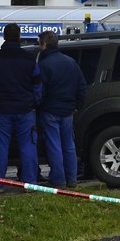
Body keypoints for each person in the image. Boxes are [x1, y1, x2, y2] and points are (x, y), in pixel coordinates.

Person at [0, 22, 42, 191]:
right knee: (28, 146)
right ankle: (29, 184)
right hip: (25, 110)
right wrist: (34, 103)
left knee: (0, 147)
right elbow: (37, 85)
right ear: (19, 37)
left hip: (1, 110)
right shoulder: (29, 59)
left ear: (4, 37)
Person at [37, 30, 86, 188]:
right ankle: (72, 179)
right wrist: (77, 106)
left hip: (50, 110)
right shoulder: (71, 62)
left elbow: (40, 91)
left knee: (54, 146)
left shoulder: (44, 65)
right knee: (69, 145)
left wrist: (38, 106)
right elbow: (81, 86)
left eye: (40, 44)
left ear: (44, 45)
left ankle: (58, 180)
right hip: (68, 111)